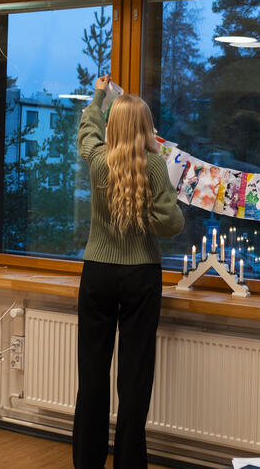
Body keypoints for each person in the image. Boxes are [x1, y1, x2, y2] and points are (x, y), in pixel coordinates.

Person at [73, 75, 185, 469]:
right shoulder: (155, 165)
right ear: (146, 128)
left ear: (112, 128)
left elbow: (86, 130)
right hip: (140, 275)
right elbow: (171, 224)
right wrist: (148, 212)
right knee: (135, 377)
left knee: (91, 373)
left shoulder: (98, 160)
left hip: (98, 272)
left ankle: (87, 462)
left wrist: (99, 94)